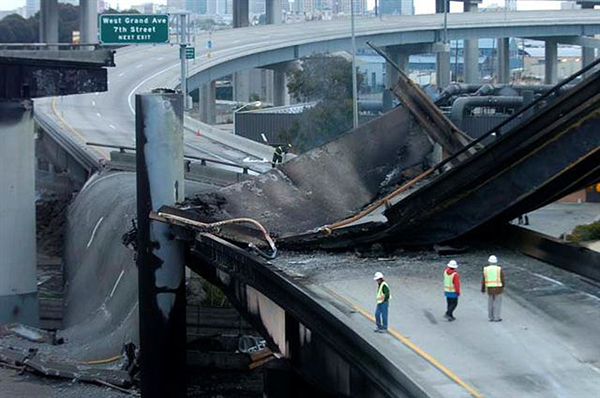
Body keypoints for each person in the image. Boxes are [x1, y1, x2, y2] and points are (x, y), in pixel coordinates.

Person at [481, 255, 506, 322]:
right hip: (498, 288)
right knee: (497, 303)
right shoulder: (499, 269)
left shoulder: (486, 269)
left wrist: (483, 288)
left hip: (490, 288)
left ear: (489, 261)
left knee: (490, 303)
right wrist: (503, 286)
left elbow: (483, 280)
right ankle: (496, 318)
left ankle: (491, 317)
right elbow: (502, 279)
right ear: (496, 262)